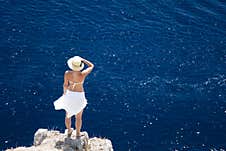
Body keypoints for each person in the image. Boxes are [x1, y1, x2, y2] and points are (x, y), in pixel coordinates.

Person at [54, 56, 94, 137]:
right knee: (78, 117)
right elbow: (91, 66)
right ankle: (78, 133)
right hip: (79, 96)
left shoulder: (67, 73)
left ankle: (69, 130)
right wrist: (83, 60)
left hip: (70, 94)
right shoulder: (83, 74)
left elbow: (65, 85)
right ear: (80, 66)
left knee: (68, 115)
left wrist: (64, 94)